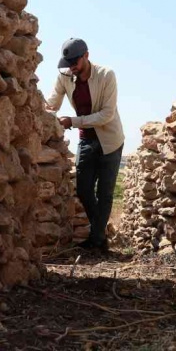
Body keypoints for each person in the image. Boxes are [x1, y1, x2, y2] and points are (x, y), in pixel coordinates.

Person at [46, 38, 125, 251]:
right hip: (86, 139)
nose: (71, 66)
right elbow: (52, 103)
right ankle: (99, 235)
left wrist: (73, 121)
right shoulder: (65, 76)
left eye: (75, 61)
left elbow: (107, 115)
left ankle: (96, 240)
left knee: (106, 194)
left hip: (111, 140)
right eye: (68, 62)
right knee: (83, 189)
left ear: (86, 56)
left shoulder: (106, 75)